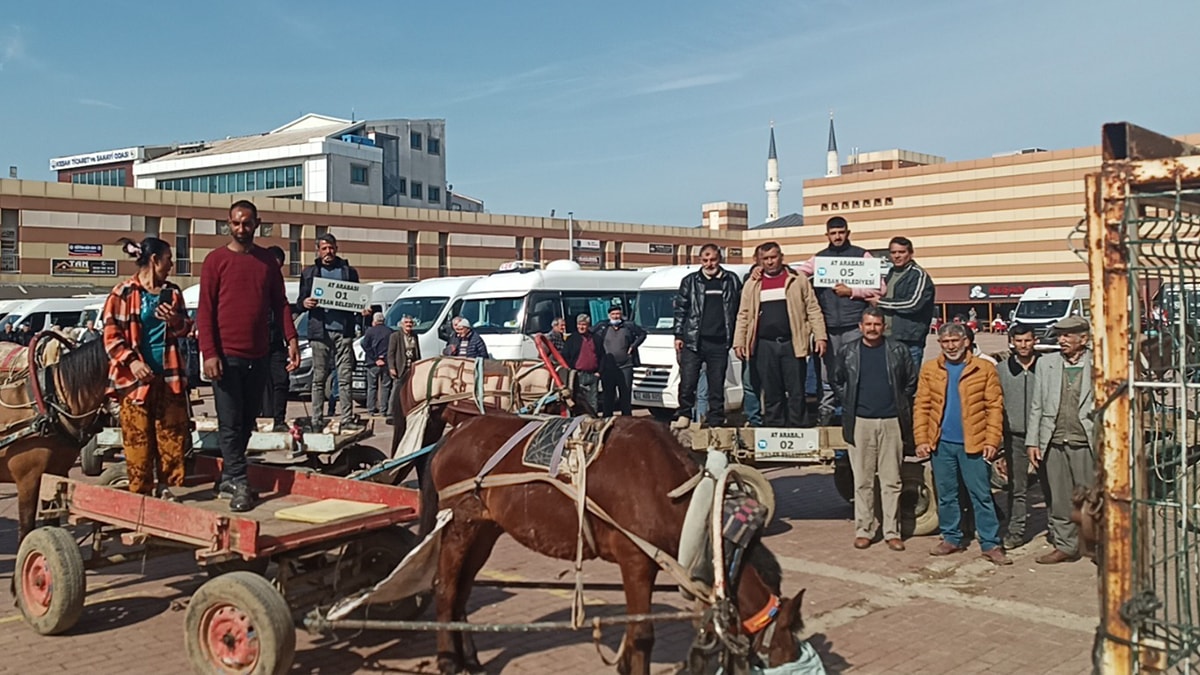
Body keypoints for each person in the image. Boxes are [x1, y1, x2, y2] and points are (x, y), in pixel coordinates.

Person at [197, 200, 300, 512]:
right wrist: (209, 353)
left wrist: (291, 338)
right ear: (228, 223)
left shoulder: (267, 261)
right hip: (225, 356)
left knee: (247, 421)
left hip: (259, 355)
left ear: (258, 224)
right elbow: (205, 310)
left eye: (247, 223)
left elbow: (280, 304)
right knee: (229, 421)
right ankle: (240, 482)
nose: (241, 228)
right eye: (236, 223)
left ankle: (229, 474)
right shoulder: (215, 261)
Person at [101, 237, 192, 500]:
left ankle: (168, 489)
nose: (172, 264)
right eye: (168, 259)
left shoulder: (172, 292)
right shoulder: (123, 293)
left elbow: (186, 328)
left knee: (172, 437)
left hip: (169, 376)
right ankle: (140, 494)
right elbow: (111, 336)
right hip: (135, 383)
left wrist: (175, 319)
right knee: (138, 442)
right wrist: (133, 361)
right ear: (155, 260)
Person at [914, 322, 1010, 565]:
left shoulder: (984, 368)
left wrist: (992, 440)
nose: (950, 346)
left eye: (955, 341)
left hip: (974, 443)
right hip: (942, 444)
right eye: (945, 342)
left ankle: (990, 543)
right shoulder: (930, 369)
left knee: (981, 495)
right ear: (940, 344)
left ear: (966, 341)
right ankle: (951, 538)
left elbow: (994, 407)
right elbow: (922, 406)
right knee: (947, 494)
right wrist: (922, 439)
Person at [831, 307, 917, 551]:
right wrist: (848, 400)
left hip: (891, 423)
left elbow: (910, 382)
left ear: (884, 326)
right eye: (868, 324)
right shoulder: (848, 351)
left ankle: (892, 531)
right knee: (863, 481)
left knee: (892, 481)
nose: (872, 329)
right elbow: (837, 380)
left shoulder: (897, 350)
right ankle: (864, 530)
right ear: (860, 327)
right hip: (860, 423)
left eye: (877, 324)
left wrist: (899, 402)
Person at [796, 217, 885, 426]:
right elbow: (797, 274)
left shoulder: (862, 255)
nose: (837, 236)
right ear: (827, 235)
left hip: (854, 325)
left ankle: (854, 412)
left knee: (854, 371)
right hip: (828, 327)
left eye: (841, 232)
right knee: (828, 374)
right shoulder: (819, 258)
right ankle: (826, 413)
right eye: (833, 233)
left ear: (848, 232)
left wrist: (852, 292)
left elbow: (880, 288)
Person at [733, 241, 827, 428]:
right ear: (760, 261)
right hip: (764, 345)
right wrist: (739, 341)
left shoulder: (797, 279)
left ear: (781, 257)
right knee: (771, 391)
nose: (770, 262)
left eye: (773, 257)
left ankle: (798, 430)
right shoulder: (752, 284)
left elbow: (813, 308)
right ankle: (775, 431)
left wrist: (820, 336)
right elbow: (743, 314)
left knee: (796, 391)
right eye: (765, 258)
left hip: (792, 343)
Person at [1027, 316, 1095, 564]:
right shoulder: (1047, 364)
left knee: (1092, 498)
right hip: (1054, 442)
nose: (1061, 340)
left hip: (1085, 443)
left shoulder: (1099, 364)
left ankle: (1096, 545)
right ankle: (1066, 545)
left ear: (1083, 339)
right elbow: (1037, 405)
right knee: (1060, 498)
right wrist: (1032, 442)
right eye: (1059, 335)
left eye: (1067, 336)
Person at [296, 233, 364, 431]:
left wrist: (362, 308)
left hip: (343, 331)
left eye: (331, 248)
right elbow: (300, 302)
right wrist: (304, 303)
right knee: (319, 378)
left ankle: (347, 417)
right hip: (320, 332)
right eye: (324, 248)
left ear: (337, 248)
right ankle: (317, 418)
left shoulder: (348, 271)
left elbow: (357, 298)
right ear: (318, 250)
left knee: (345, 377)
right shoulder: (310, 273)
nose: (328, 252)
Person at [672, 243, 742, 429]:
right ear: (700, 260)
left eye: (713, 260)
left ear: (719, 259)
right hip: (694, 340)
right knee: (687, 382)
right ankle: (684, 414)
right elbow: (681, 309)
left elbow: (740, 308)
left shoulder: (731, 280)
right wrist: (678, 334)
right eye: (705, 260)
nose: (709, 264)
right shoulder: (690, 281)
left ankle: (715, 419)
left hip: (719, 341)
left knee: (716, 384)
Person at [996, 323, 1039, 549]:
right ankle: (1016, 532)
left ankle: (1059, 531)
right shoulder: (1002, 370)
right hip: (1014, 437)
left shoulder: (1046, 366)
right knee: (1017, 487)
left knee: (1052, 487)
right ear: (1012, 342)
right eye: (1019, 341)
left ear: (1035, 341)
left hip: (1043, 436)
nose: (1023, 345)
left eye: (1028, 340)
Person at [877, 236, 936, 369]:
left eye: (901, 252)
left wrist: (881, 302)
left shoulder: (918, 275)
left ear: (910, 253)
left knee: (909, 383)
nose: (897, 256)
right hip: (887, 337)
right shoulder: (890, 273)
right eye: (893, 252)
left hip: (909, 339)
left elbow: (913, 303)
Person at [593, 304, 645, 416]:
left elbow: (642, 334)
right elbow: (592, 337)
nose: (616, 316)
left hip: (626, 365)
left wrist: (633, 346)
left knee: (625, 394)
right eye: (613, 314)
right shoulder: (602, 327)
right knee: (608, 395)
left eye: (618, 314)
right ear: (609, 315)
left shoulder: (629, 326)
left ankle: (627, 418)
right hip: (608, 367)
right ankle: (607, 418)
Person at [260, 245, 290, 432]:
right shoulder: (255, 281)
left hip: (277, 341)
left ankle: (279, 419)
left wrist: (291, 339)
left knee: (281, 380)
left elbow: (284, 310)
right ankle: (261, 418)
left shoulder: (279, 285)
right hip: (257, 341)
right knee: (259, 384)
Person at [563, 313, 603, 415]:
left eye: (584, 324)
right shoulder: (572, 339)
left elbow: (602, 356)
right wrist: (571, 370)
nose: (581, 327)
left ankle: (593, 422)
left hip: (593, 374)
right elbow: (565, 356)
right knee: (578, 401)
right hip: (577, 375)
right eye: (579, 324)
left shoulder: (596, 338)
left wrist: (599, 372)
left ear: (588, 325)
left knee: (593, 402)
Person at [362, 312, 393, 417]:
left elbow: (364, 345)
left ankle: (371, 409)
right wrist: (383, 358)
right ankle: (384, 409)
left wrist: (375, 358)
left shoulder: (370, 331)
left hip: (372, 363)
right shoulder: (390, 332)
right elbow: (392, 348)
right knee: (386, 387)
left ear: (374, 321)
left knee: (371, 387)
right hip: (386, 363)